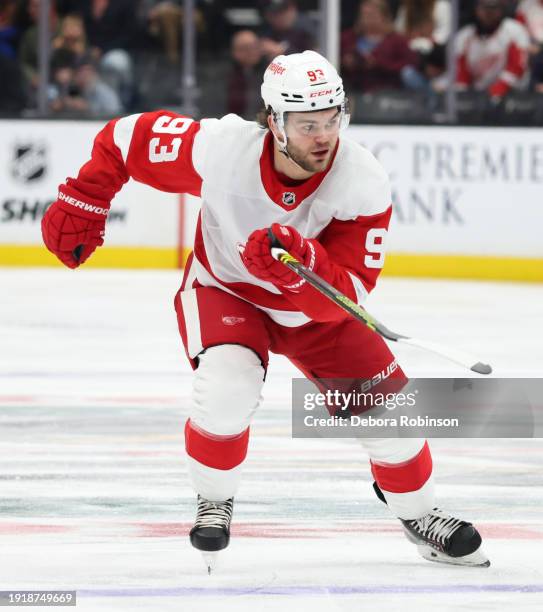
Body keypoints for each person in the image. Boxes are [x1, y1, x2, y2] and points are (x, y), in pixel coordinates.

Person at [41, 50, 489, 572]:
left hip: (312, 314)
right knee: (228, 386)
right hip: (225, 289)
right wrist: (85, 198)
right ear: (273, 121)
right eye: (307, 124)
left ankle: (419, 513)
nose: (323, 136)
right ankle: (214, 499)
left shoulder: (362, 180)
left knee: (392, 420)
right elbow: (126, 138)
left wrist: (301, 264)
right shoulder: (222, 149)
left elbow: (351, 297)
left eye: (332, 119)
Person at [340, 0, 425, 93]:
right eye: (363, 15)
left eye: (371, 15)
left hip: (388, 90)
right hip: (355, 89)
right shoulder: (348, 38)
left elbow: (412, 63)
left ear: (384, 17)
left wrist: (379, 63)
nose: (366, 19)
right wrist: (347, 61)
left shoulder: (396, 40)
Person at [455, 0, 530, 99]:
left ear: (501, 9)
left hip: (511, 95)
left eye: (493, 8)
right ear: (476, 9)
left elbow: (517, 68)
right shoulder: (464, 36)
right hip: (476, 95)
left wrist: (495, 91)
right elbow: (461, 76)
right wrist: (462, 96)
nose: (489, 13)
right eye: (484, 8)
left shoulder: (514, 30)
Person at [227, 30, 268, 118]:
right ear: (234, 52)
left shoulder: (269, 73)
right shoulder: (225, 76)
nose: (252, 51)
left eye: (255, 46)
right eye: (245, 48)